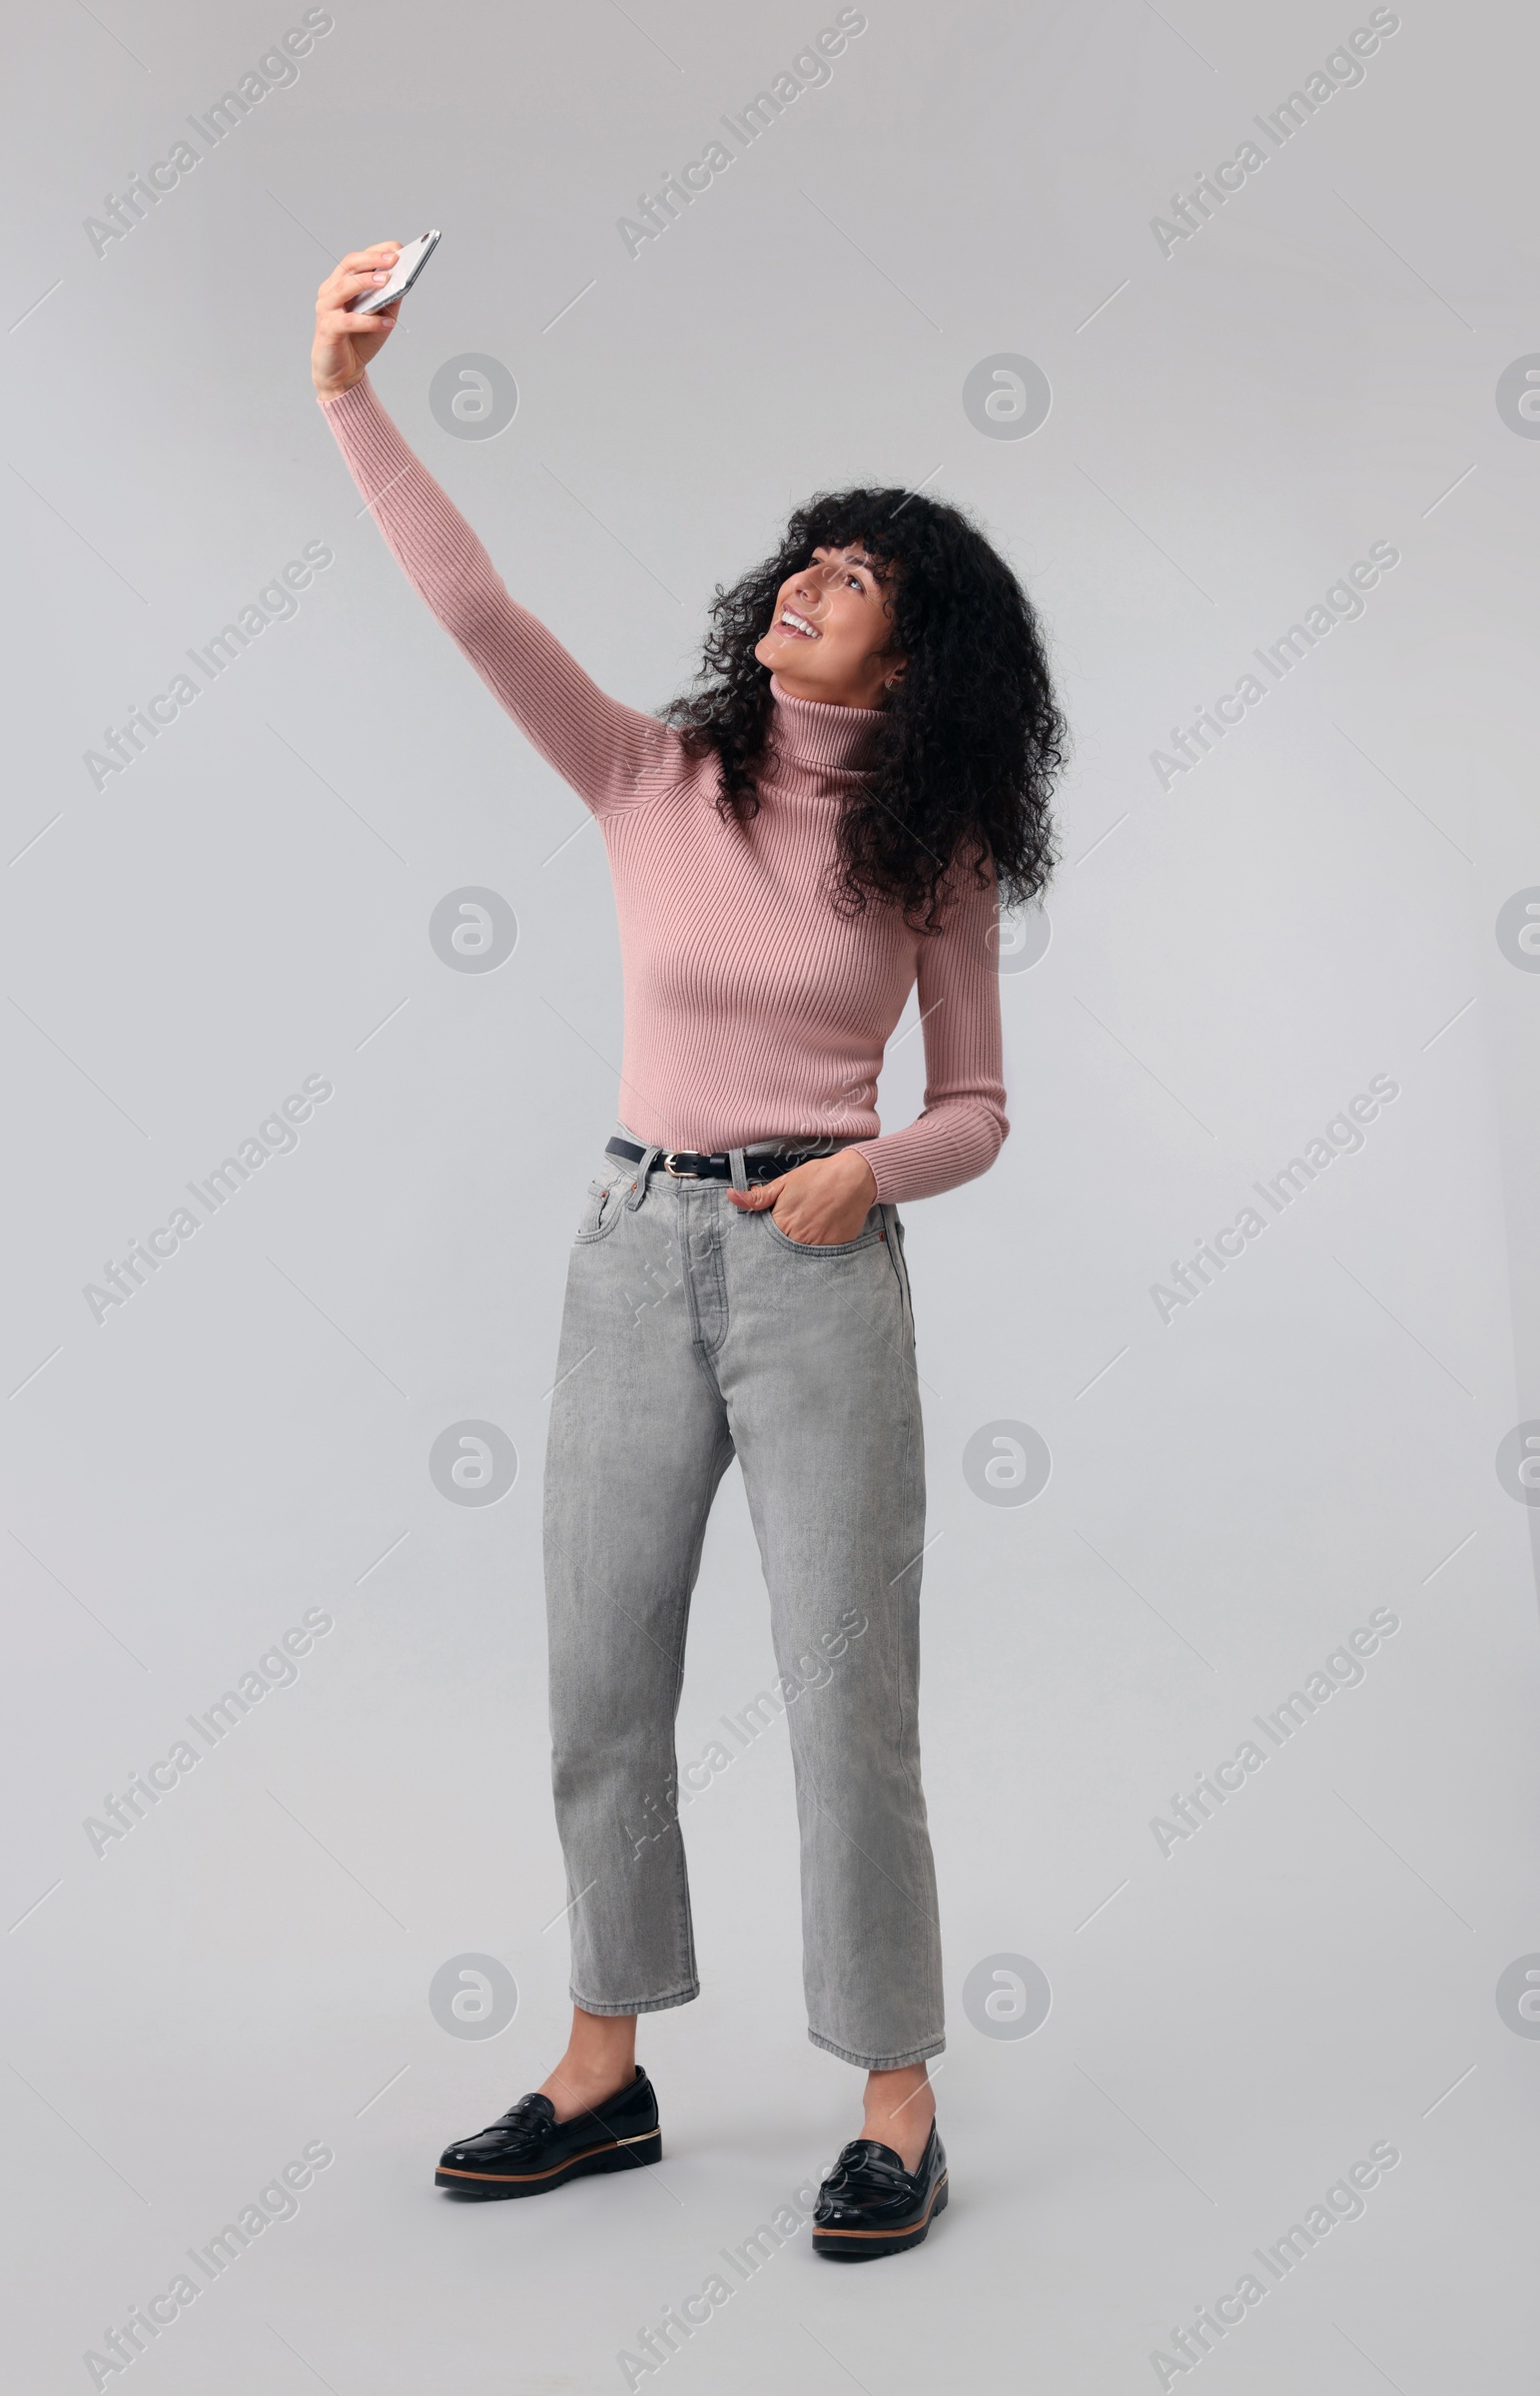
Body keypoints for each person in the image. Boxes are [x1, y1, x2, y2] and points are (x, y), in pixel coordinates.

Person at [312, 242, 1063, 2259]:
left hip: (817, 1279)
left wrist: (866, 1174)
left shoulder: (932, 858)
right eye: (794, 563)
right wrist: (348, 395)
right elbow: (473, 609)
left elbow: (978, 1110)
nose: (797, 584)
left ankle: (893, 2096)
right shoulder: (653, 775)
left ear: (909, 674)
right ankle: (599, 2069)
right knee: (600, 1676)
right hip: (628, 1253)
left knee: (844, 1693)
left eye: (848, 583)